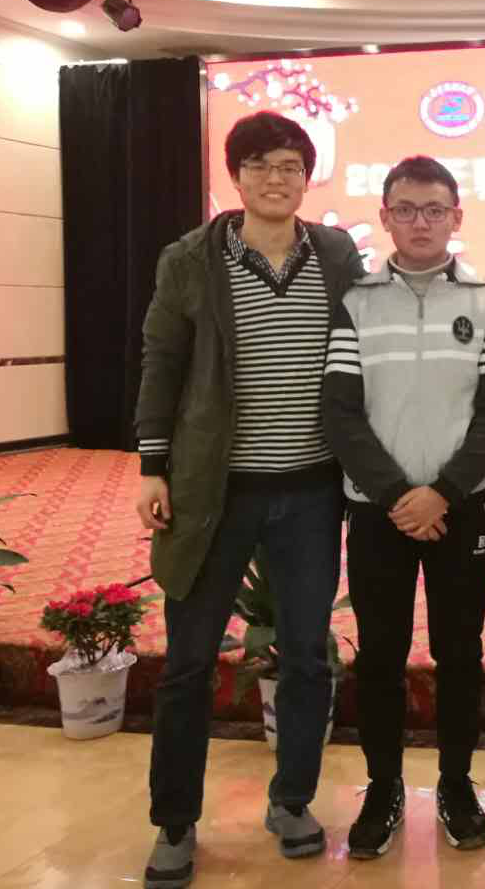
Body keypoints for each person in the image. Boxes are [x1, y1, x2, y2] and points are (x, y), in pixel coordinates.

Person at [134, 111, 365, 888]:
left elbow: (376, 327)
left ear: (307, 177)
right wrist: (152, 465)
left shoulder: (335, 253)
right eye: (261, 164)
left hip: (311, 492)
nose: (276, 178)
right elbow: (161, 360)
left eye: (291, 165)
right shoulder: (190, 259)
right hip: (215, 492)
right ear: (234, 176)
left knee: (306, 655)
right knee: (188, 663)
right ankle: (175, 821)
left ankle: (291, 801)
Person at [320, 156, 485, 859]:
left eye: (435, 209)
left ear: (456, 217)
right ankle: (383, 788)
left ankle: (457, 785)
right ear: (385, 217)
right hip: (379, 512)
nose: (421, 222)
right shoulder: (357, 302)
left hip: (460, 509)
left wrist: (445, 491)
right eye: (405, 209)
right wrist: (399, 495)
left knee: (459, 652)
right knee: (380, 653)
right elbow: (340, 413)